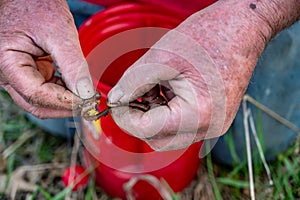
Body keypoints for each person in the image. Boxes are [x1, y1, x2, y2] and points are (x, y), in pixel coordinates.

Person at [0, 0, 299, 154]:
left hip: (234, 11)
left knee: (256, 142)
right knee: (52, 113)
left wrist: (256, 19)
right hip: (75, 7)